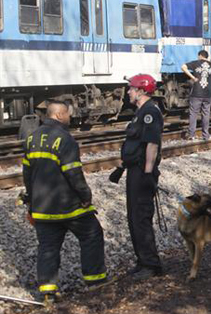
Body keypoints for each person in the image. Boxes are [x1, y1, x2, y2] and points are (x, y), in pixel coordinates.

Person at [22, 101, 107, 303]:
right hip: (69, 206)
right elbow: (73, 173)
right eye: (68, 115)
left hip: (42, 207)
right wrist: (86, 196)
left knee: (48, 247)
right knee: (92, 235)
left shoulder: (31, 138)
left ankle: (48, 292)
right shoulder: (65, 139)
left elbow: (27, 173)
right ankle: (95, 282)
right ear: (59, 115)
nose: (70, 118)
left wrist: (31, 200)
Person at [114, 74, 164, 280]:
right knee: (133, 217)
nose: (128, 92)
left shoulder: (150, 112)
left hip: (143, 172)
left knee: (141, 218)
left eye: (131, 88)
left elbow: (152, 144)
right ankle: (142, 260)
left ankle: (151, 265)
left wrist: (147, 172)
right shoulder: (140, 113)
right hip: (134, 171)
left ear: (142, 91)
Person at [181, 50, 211, 140]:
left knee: (193, 114)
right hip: (208, 94)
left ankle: (191, 135)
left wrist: (193, 77)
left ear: (200, 56)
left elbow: (183, 67)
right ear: (207, 57)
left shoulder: (195, 63)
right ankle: (205, 135)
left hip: (196, 93)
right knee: (206, 114)